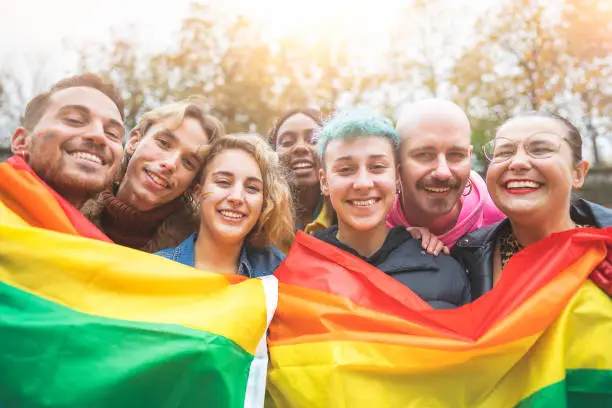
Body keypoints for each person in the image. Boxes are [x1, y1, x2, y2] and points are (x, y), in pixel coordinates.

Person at [313, 110, 471, 309]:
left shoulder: (446, 271)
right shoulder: (297, 271)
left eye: (377, 167)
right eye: (345, 170)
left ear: (397, 177)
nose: (363, 183)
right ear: (325, 182)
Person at [452, 112, 612, 298]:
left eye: (540, 150)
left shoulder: (604, 249)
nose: (517, 163)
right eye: (504, 152)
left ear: (578, 173)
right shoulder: (464, 259)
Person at [82, 97, 225, 252]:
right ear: (134, 142)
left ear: (192, 184)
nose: (170, 164)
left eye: (189, 162)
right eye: (164, 143)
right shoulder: (69, 202)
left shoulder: (198, 250)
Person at [156, 133, 295, 278]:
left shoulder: (282, 275)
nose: (236, 197)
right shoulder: (155, 271)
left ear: (264, 202)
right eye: (223, 182)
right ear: (198, 194)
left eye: (252, 188)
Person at [387, 99, 505, 248]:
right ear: (397, 162)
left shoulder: (499, 217)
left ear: (469, 157)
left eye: (456, 155)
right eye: (424, 155)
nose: (443, 173)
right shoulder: (375, 219)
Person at [9, 73, 125, 210]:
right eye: (74, 120)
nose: (99, 135)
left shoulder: (86, 231)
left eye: (112, 133)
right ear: (22, 141)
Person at [269, 108, 336, 234]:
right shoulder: (260, 225)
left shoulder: (349, 218)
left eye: (313, 140)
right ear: (273, 156)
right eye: (287, 142)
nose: (300, 147)